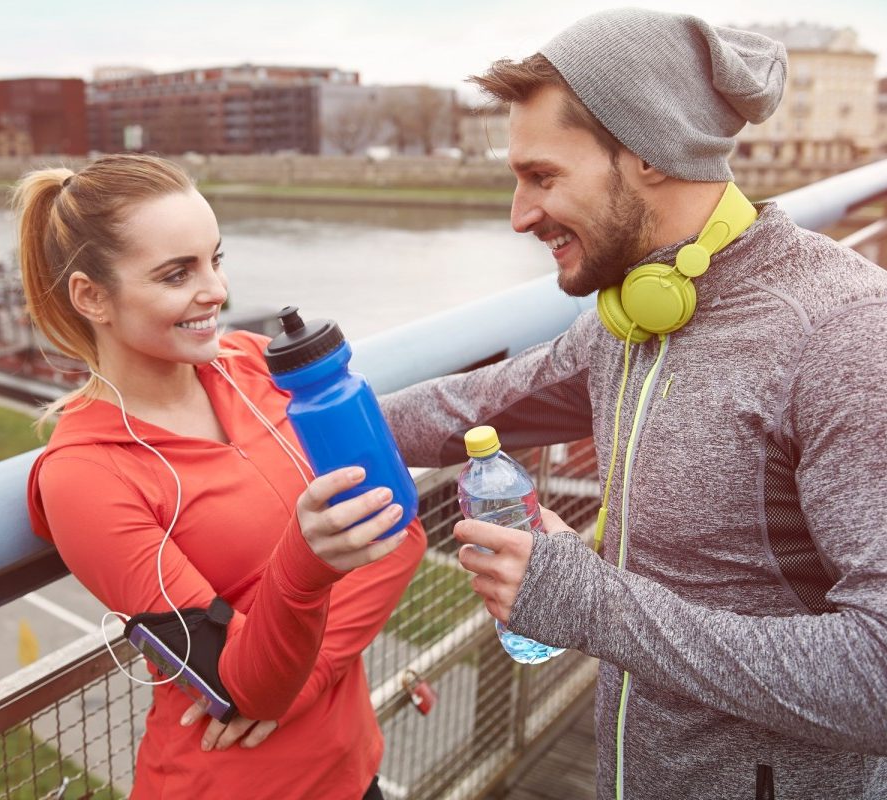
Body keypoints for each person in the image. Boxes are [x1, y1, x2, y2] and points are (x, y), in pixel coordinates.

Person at [380, 9, 887, 799]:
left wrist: (591, 604)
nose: (518, 215)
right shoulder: (634, 312)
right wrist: (272, 412)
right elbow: (470, 406)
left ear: (650, 151)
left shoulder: (845, 337)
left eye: (542, 177)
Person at [14, 152, 426, 800]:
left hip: (350, 769)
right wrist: (309, 565)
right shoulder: (86, 477)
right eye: (177, 274)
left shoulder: (258, 362)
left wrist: (288, 687)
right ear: (92, 296)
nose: (217, 292)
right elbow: (241, 685)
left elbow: (400, 532)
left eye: (216, 259)